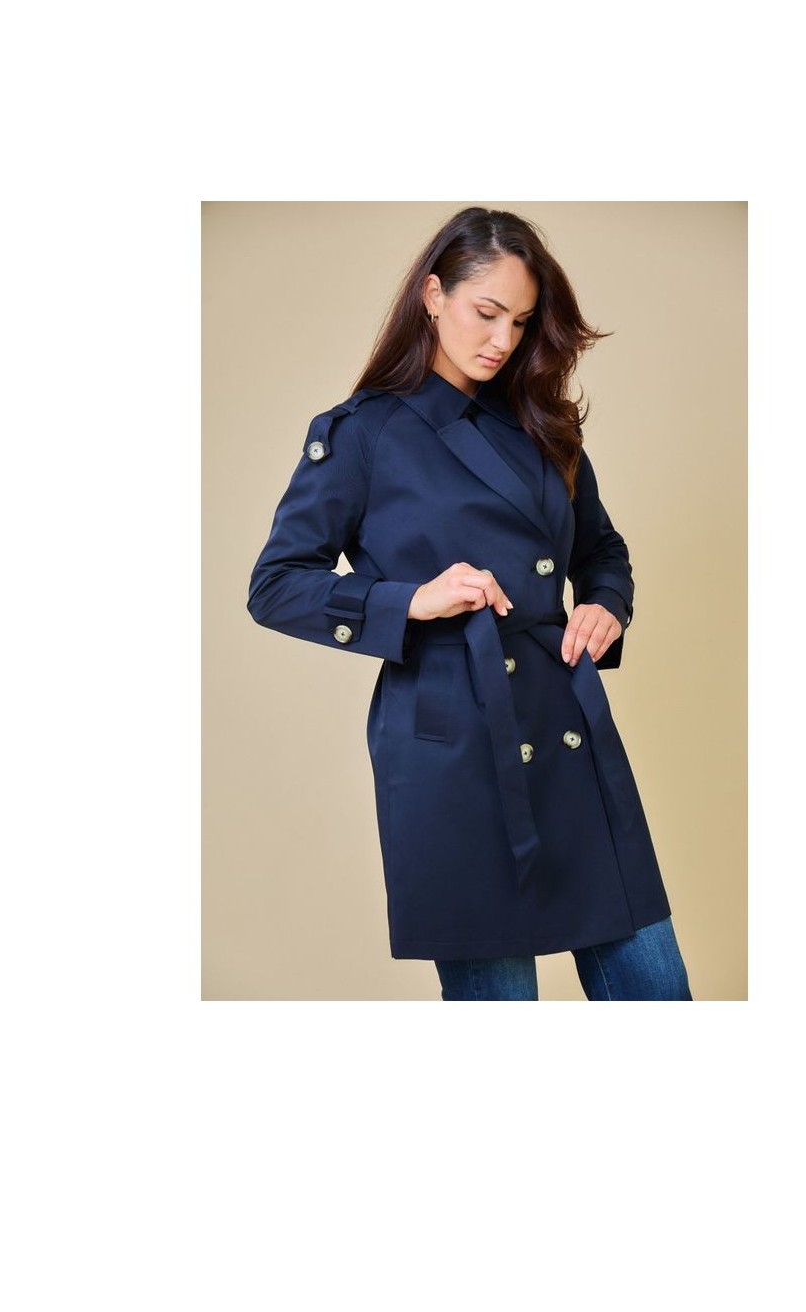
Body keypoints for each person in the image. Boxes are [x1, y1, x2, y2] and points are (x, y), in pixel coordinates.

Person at [247, 206, 692, 1001]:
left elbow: (601, 552)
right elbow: (276, 584)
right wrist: (410, 601)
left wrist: (606, 605)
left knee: (653, 986)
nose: (502, 340)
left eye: (519, 322)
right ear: (433, 295)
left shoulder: (543, 423)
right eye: (486, 313)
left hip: (566, 724)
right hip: (452, 747)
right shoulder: (363, 434)